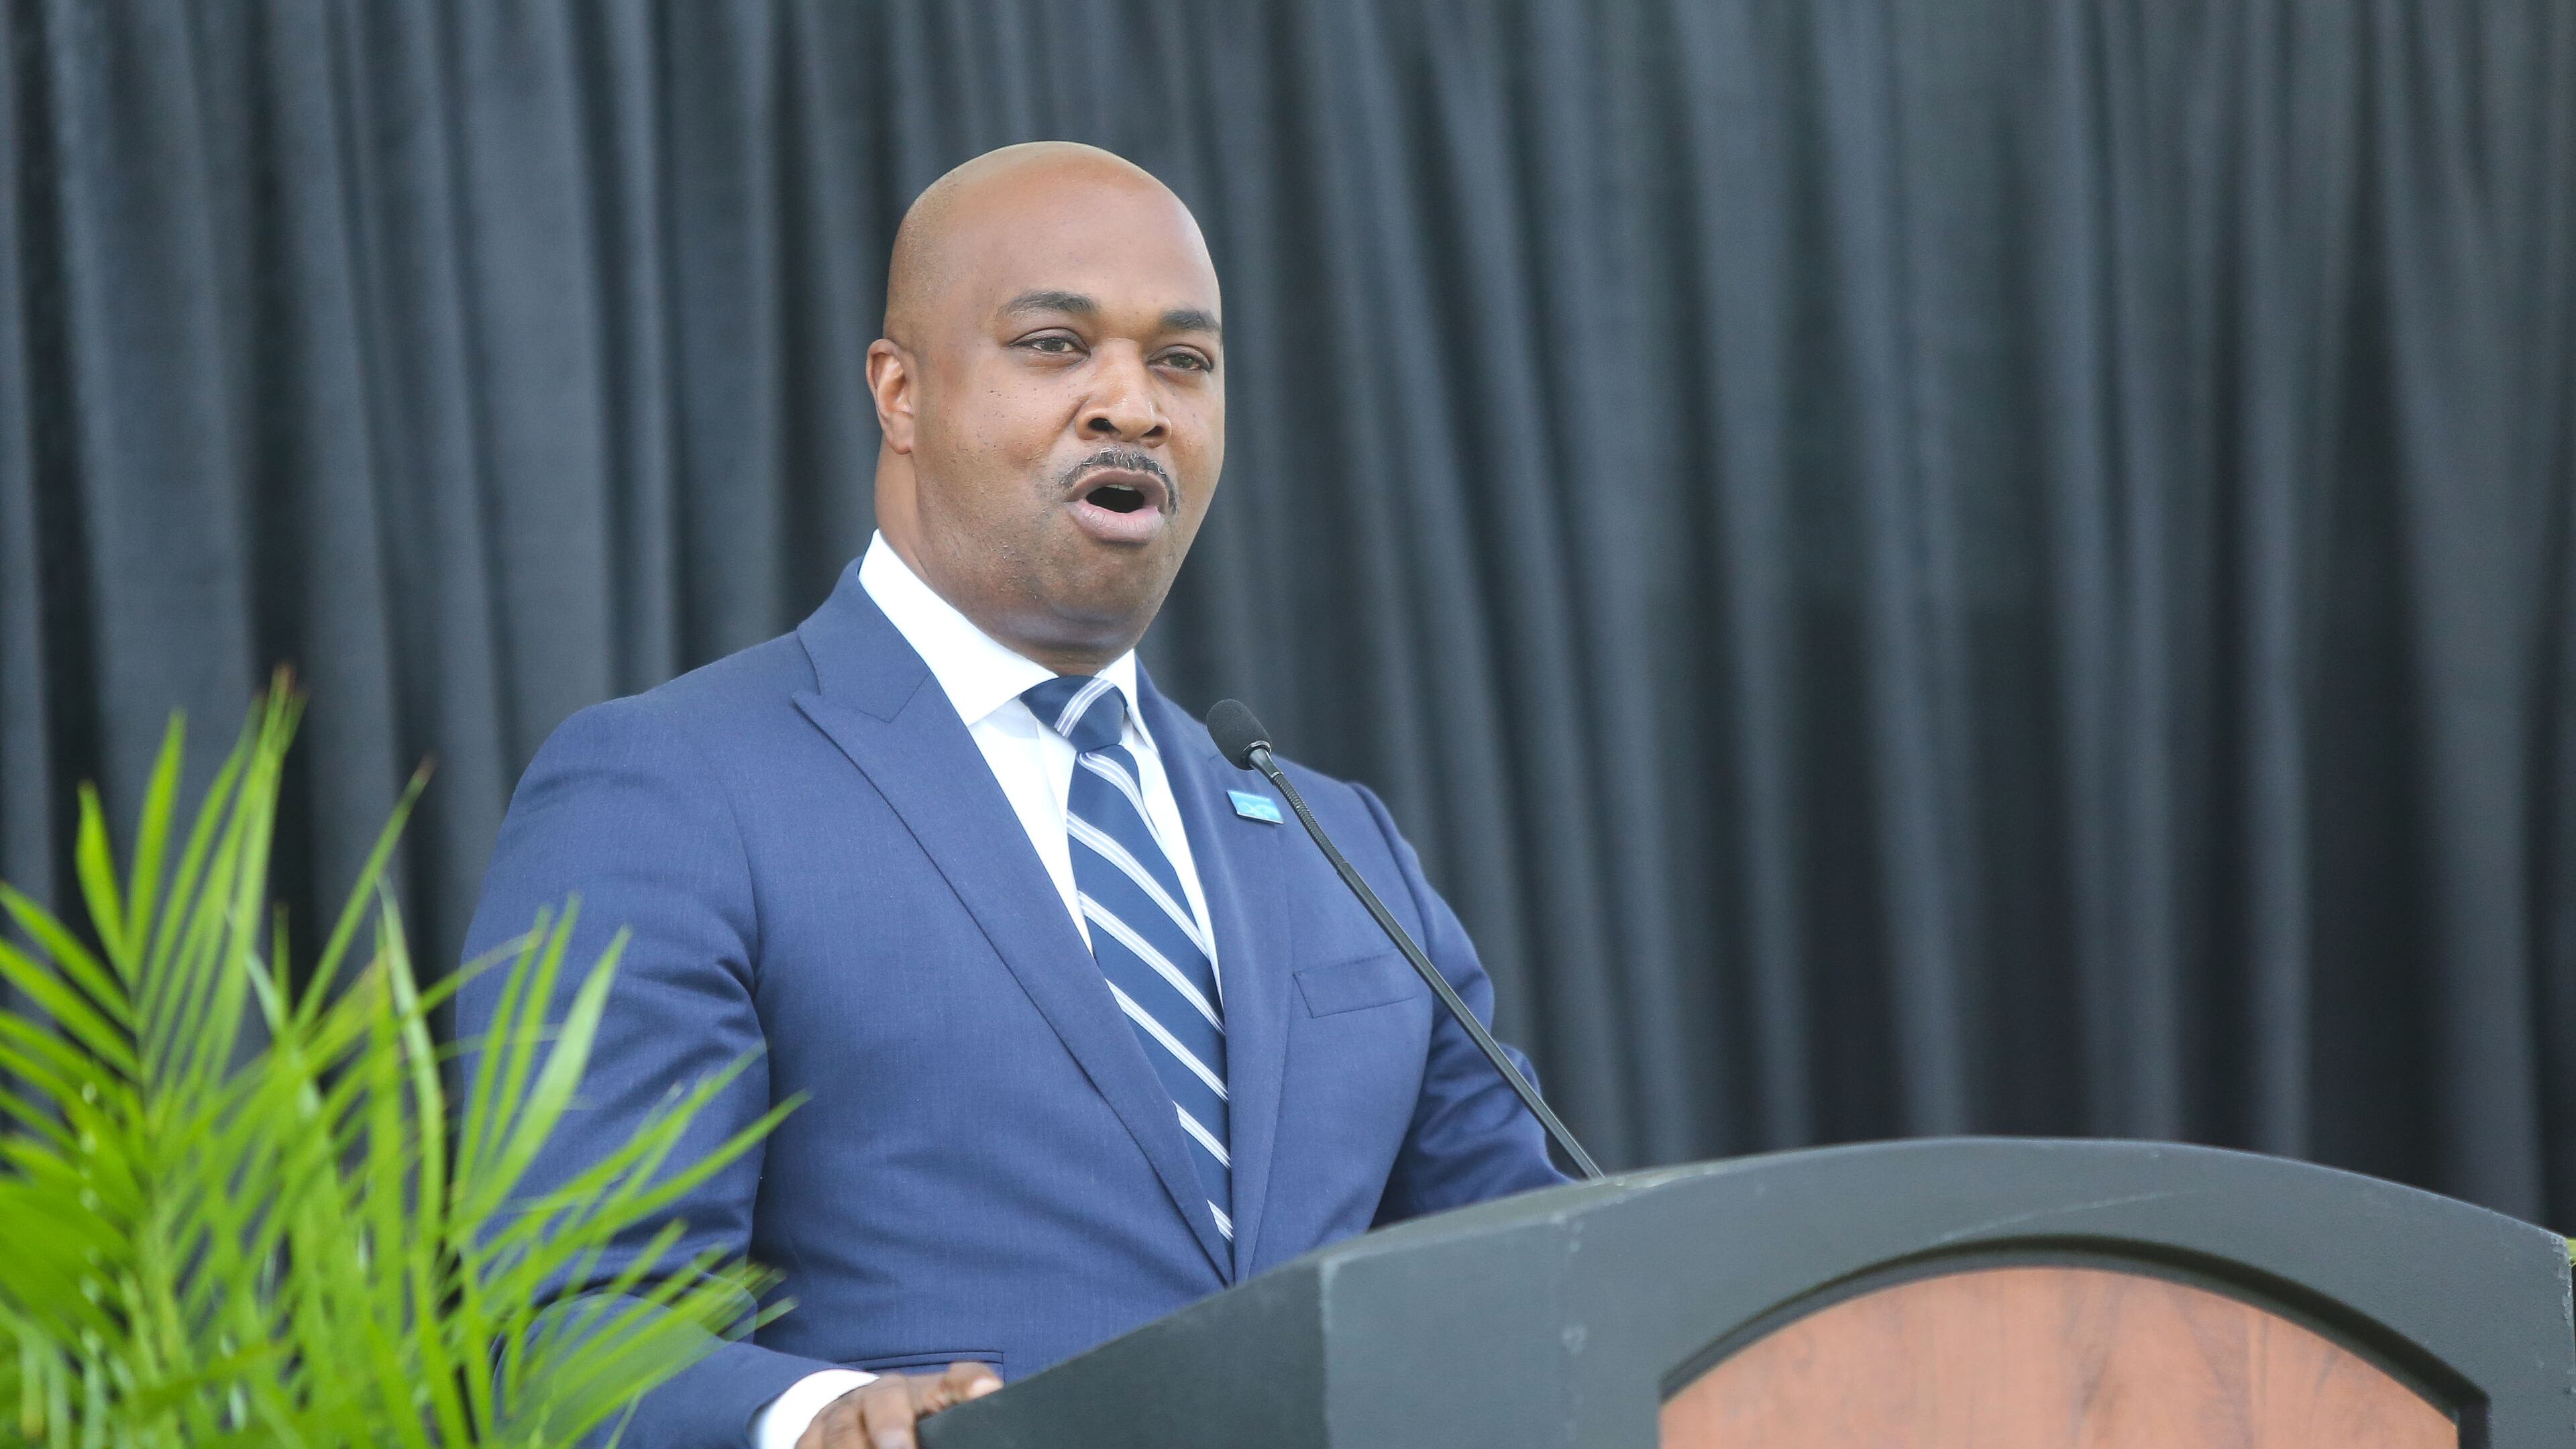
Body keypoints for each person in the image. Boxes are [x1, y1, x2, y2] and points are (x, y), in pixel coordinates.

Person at [457, 141, 1563, 1449]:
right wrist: (818, 1417)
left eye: (1183, 362)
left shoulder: (1337, 847)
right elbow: (564, 1324)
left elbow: (1555, 1285)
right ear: (901, 391)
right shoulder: (671, 791)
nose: (1132, 406)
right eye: (1055, 345)